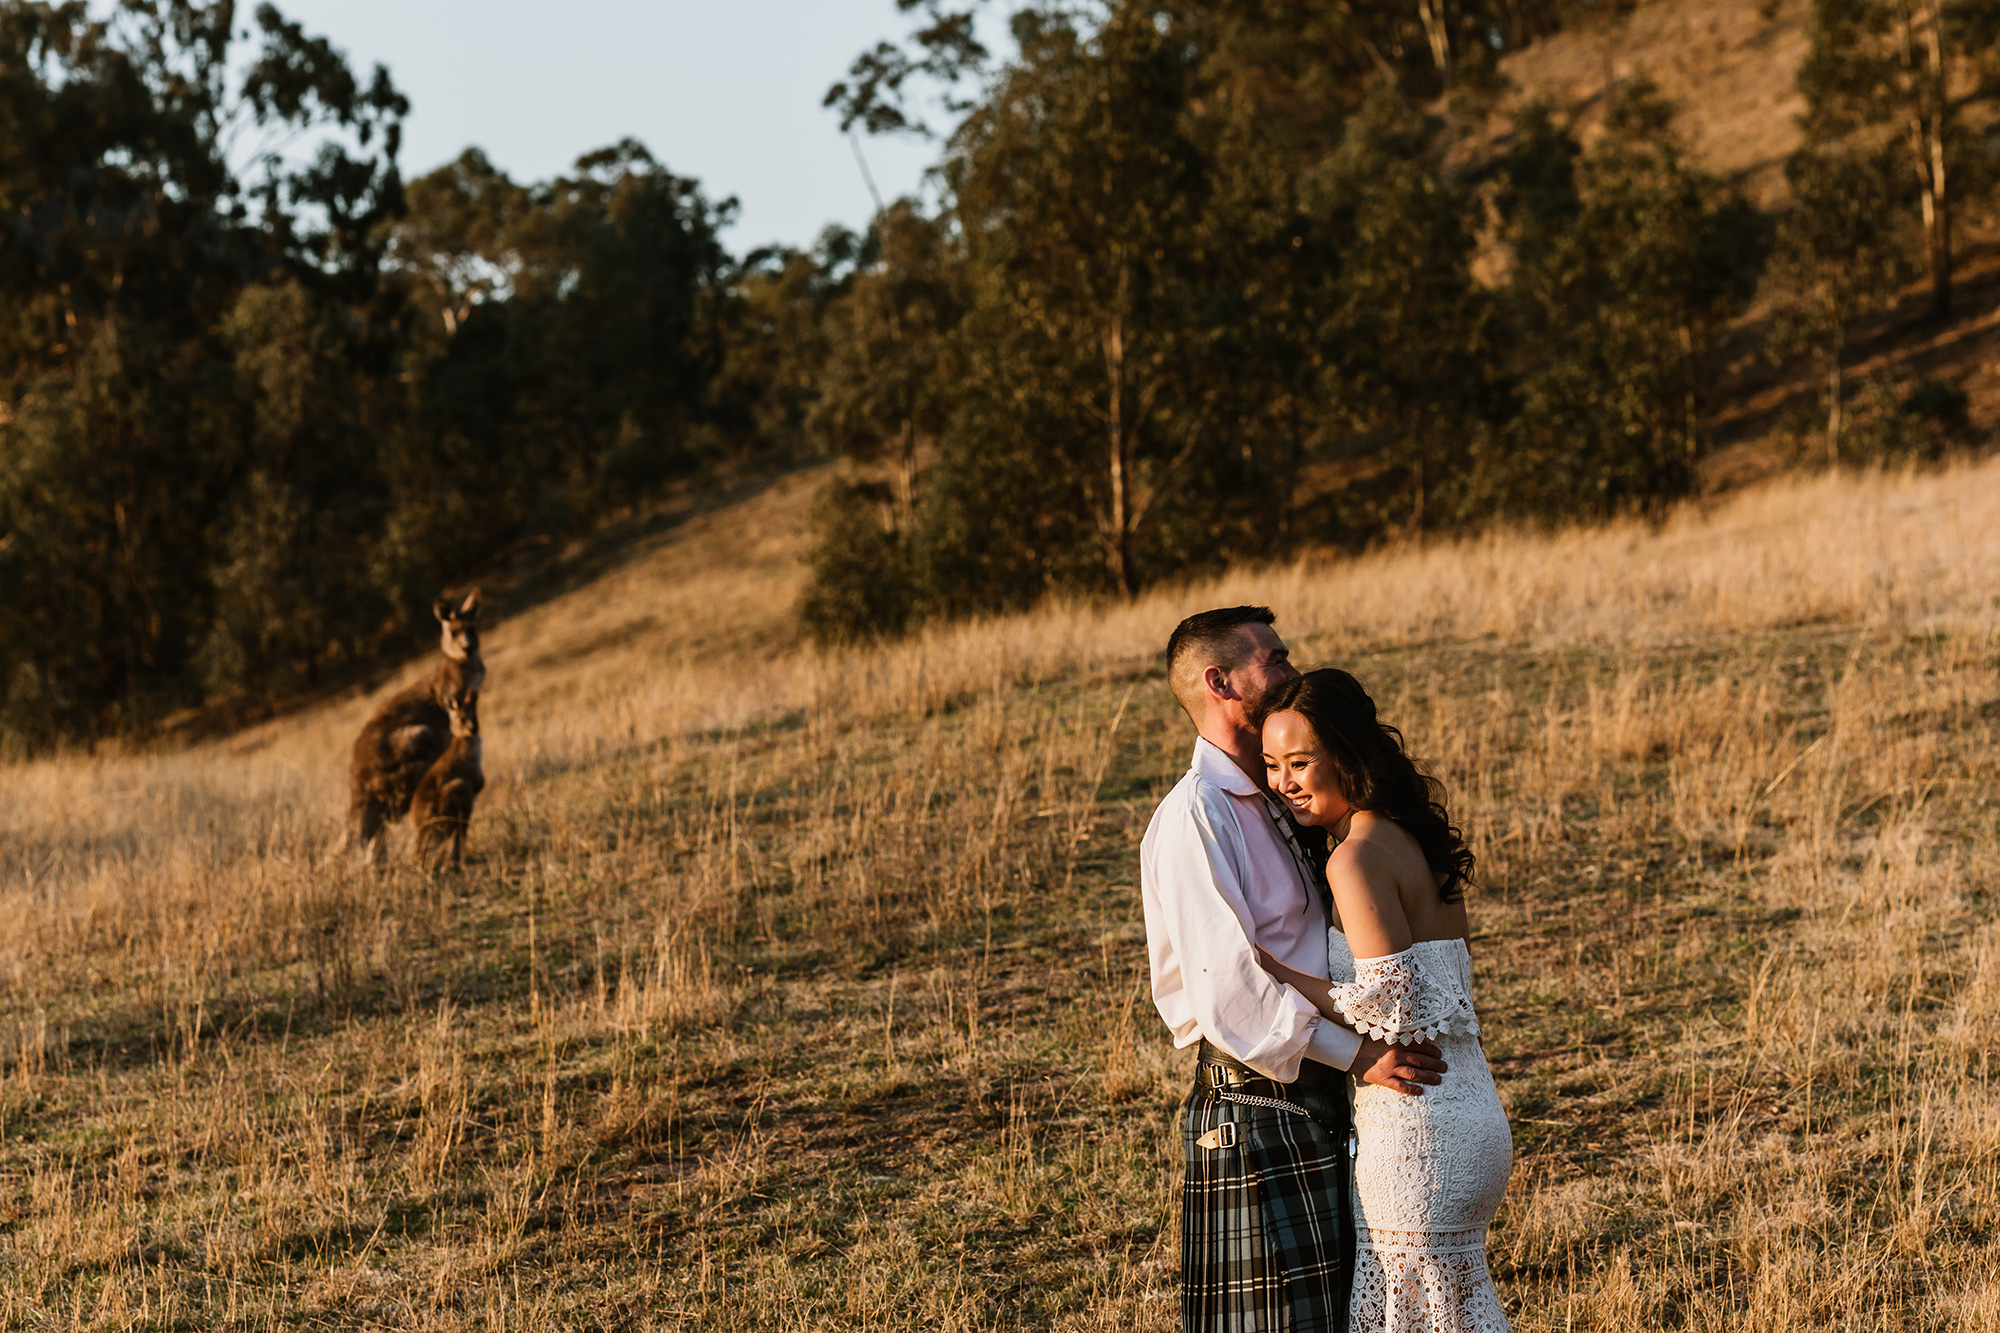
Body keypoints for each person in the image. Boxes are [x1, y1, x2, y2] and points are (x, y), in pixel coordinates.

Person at [1141, 607, 1449, 1333]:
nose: (1290, 670)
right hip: (1255, 1105)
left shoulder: (1281, 800)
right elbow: (1228, 987)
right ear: (1220, 681)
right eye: (1273, 660)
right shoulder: (1196, 817)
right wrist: (1361, 1054)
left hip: (1318, 1094)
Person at [1254, 667, 1514, 1333]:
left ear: (1346, 753)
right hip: (1466, 1108)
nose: (1284, 781)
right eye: (1271, 764)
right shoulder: (1406, 835)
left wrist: (1277, 970)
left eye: (1301, 761)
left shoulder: (1356, 857)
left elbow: (1390, 1003)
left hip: (1417, 1129)